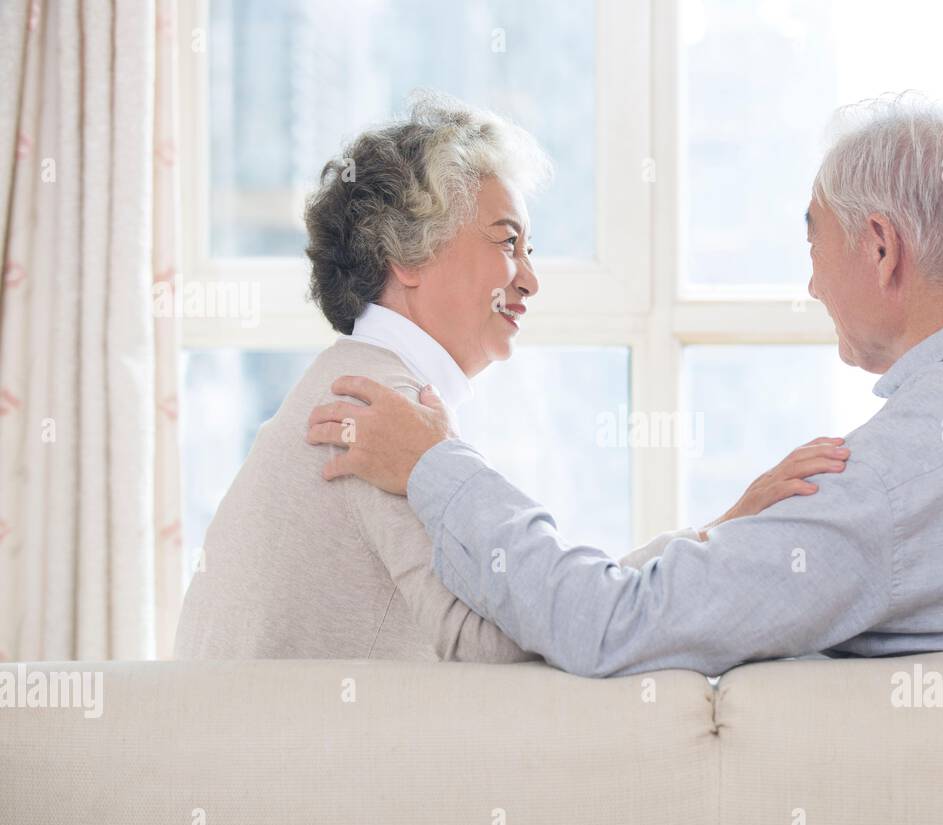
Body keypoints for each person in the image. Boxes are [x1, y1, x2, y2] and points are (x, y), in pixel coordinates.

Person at [307, 92, 943, 677]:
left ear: (881, 249)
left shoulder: (884, 484)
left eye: (814, 242)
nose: (810, 285)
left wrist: (434, 469)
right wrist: (729, 530)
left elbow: (610, 625)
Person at [175, 92, 845, 662]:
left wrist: (716, 535)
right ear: (405, 256)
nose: (529, 277)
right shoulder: (370, 402)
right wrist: (716, 544)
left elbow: (544, 606)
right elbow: (499, 642)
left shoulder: (369, 386)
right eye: (506, 242)